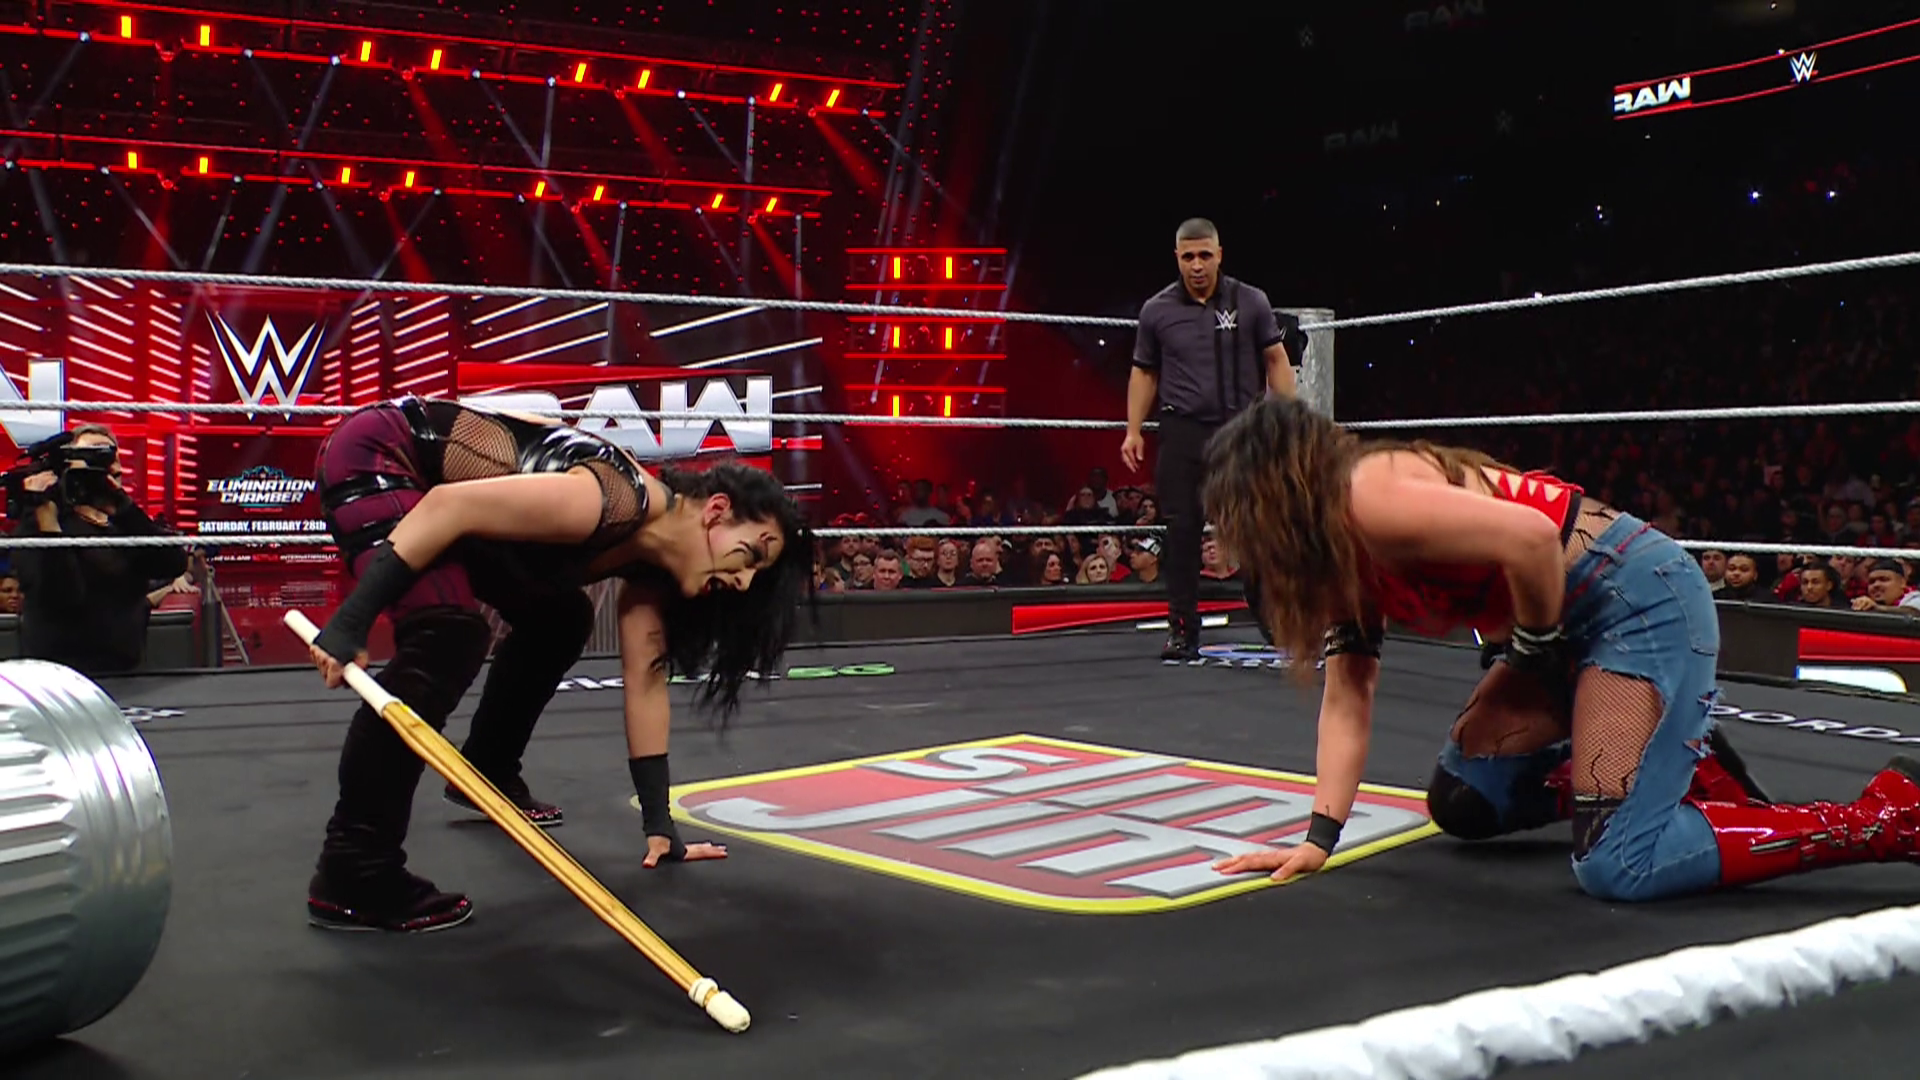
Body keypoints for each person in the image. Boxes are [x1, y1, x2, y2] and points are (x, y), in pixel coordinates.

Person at [1202, 397, 1920, 902]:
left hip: (1635, 600)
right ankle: (1673, 765)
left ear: (1272, 496)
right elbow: (1348, 694)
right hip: (1557, 627)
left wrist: (1535, 645)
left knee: (1618, 866)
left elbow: (1530, 536)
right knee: (1464, 800)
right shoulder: (1340, 553)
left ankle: (1889, 816)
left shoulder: (1368, 494)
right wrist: (1318, 839)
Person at [303, 396, 810, 932]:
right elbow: (448, 507)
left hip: (445, 501)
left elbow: (645, 684)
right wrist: (350, 623)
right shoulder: (614, 499)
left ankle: (488, 770)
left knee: (561, 618)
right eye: (751, 555)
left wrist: (660, 826)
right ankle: (354, 870)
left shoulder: (648, 568)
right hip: (382, 453)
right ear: (717, 510)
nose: (744, 583)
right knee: (448, 635)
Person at [1122, 217, 1301, 661]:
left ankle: (1271, 614)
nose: (1197, 265)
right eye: (1189, 257)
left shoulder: (1250, 300)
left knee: (1258, 526)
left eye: (1205, 255)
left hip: (1241, 430)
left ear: (1220, 254)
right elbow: (1144, 372)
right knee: (1181, 531)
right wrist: (1133, 430)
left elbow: (1276, 360)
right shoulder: (1157, 310)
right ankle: (1183, 630)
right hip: (1182, 431)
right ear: (1177, 258)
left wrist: (1285, 418)